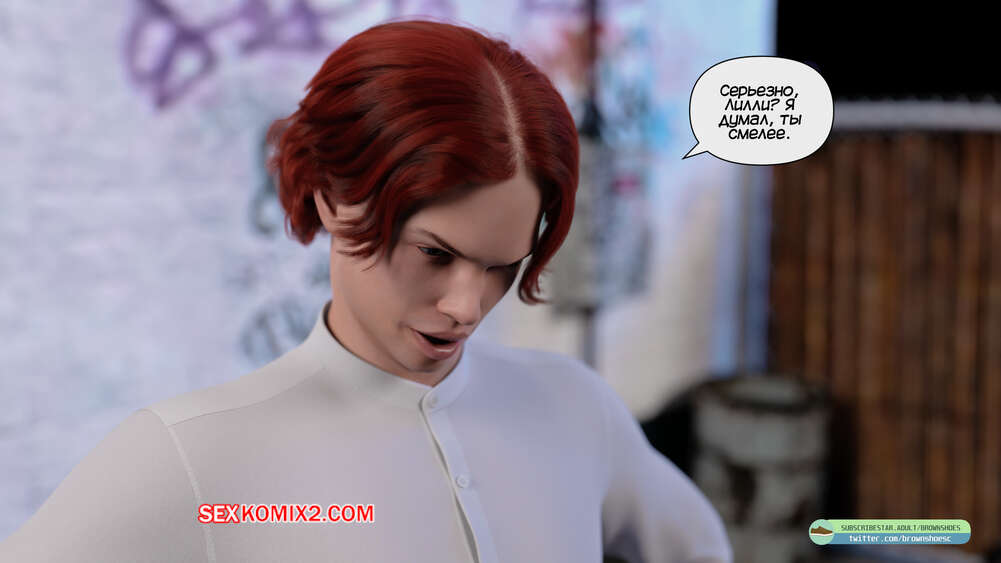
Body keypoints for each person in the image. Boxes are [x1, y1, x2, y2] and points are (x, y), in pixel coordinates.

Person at [0, 19, 732, 563]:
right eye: (434, 254)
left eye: (502, 267)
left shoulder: (573, 409)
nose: (466, 307)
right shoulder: (192, 456)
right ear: (330, 196)